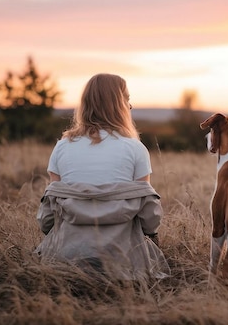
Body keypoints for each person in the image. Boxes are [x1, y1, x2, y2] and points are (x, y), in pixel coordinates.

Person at [34, 73, 169, 280]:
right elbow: (148, 216)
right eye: (127, 99)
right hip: (124, 260)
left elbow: (47, 217)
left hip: (64, 259)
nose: (130, 106)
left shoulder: (61, 148)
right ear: (119, 105)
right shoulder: (136, 149)